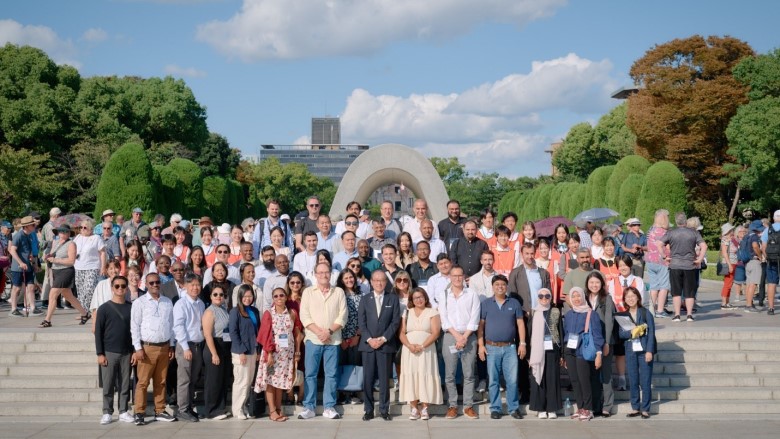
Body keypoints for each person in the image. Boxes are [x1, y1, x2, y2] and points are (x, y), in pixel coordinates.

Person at [298, 262, 348, 420]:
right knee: (310, 375)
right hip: (313, 339)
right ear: (315, 274)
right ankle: (309, 407)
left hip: (333, 340)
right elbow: (304, 316)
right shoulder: (308, 292)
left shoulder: (338, 292)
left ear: (331, 274)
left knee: (331, 375)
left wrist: (329, 331)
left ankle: (329, 407)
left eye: (326, 272)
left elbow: (343, 315)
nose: (324, 275)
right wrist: (320, 332)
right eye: (320, 273)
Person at [130, 272, 177, 425]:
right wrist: (138, 348)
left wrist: (171, 345)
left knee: (161, 381)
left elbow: (171, 325)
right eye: (152, 283)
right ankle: (139, 412)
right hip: (147, 348)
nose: (155, 285)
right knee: (143, 382)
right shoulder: (140, 302)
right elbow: (134, 326)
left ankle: (160, 410)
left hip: (164, 347)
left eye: (157, 282)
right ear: (146, 284)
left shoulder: (167, 302)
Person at [477, 274, 525, 420]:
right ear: (492, 287)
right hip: (491, 347)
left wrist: (522, 343)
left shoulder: (514, 303)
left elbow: (520, 323)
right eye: (497, 284)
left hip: (510, 347)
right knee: (493, 380)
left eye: (503, 284)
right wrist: (480, 345)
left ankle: (513, 408)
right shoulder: (485, 304)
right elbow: (481, 326)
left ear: (506, 286)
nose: (500, 287)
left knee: (512, 380)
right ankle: (496, 408)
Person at [358, 270, 402, 421]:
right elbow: (361, 323)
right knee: (368, 378)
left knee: (384, 380)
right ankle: (368, 410)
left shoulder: (393, 299)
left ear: (386, 282)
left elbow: (395, 322)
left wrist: (383, 339)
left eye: (382, 280)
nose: (379, 283)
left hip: (385, 345)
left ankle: (384, 409)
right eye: (376, 280)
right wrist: (370, 339)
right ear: (371, 282)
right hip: (368, 345)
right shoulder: (365, 299)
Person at [255, 287, 303, 422]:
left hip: (286, 355)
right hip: (272, 355)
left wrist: (297, 351)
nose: (279, 298)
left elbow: (298, 333)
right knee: (270, 381)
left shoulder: (292, 313)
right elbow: (265, 335)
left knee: (280, 382)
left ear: (286, 297)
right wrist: (269, 353)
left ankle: (279, 409)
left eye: (281, 295)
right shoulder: (268, 313)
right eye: (275, 296)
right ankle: (272, 411)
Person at [439, 265, 480, 419]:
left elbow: (475, 316)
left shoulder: (472, 294)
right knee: (450, 374)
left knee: (468, 373)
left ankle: (468, 405)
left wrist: (464, 337)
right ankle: (452, 406)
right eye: (454, 275)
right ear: (450, 277)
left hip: (468, 336)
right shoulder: (444, 295)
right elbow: (444, 317)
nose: (457, 278)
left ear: (464, 277)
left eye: (460, 275)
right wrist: (457, 337)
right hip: (451, 335)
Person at [95, 275, 135, 425]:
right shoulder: (104, 308)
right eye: (117, 286)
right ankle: (107, 412)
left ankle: (123, 410)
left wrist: (135, 351)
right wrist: (100, 353)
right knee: (108, 384)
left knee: (125, 384)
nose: (120, 289)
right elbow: (98, 332)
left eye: (123, 286)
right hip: (109, 352)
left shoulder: (131, 307)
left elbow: (135, 330)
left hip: (127, 352)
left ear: (126, 288)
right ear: (112, 288)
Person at [398, 287, 442, 421]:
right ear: (411, 299)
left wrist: (422, 346)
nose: (419, 300)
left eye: (421, 296)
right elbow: (401, 332)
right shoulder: (407, 312)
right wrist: (409, 345)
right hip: (409, 350)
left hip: (426, 349)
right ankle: (413, 408)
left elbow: (435, 332)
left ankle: (425, 408)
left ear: (426, 297)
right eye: (415, 297)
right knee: (411, 375)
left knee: (425, 374)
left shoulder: (432, 312)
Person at [563, 287, 604, 421]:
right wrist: (564, 354)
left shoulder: (591, 314)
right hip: (570, 351)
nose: (576, 299)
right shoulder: (569, 314)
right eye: (573, 296)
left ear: (583, 297)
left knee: (584, 380)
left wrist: (599, 353)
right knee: (574, 380)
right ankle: (580, 407)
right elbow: (566, 334)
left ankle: (588, 408)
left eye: (578, 296)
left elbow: (597, 335)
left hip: (583, 351)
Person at [658, 212, 707, 321]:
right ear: (685, 221)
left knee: (676, 292)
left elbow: (659, 244)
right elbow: (704, 245)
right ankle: (689, 315)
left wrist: (664, 256)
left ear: (676, 221)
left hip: (675, 265)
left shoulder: (671, 232)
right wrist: (699, 259)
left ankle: (677, 315)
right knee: (689, 292)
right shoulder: (693, 232)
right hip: (690, 265)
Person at [618, 286, 656, 419]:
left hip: (644, 350)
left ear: (638, 297)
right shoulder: (623, 316)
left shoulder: (645, 313)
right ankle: (635, 407)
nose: (630, 299)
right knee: (633, 379)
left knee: (645, 380)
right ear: (624, 300)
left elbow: (651, 334)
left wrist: (650, 351)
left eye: (633, 296)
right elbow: (621, 334)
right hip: (630, 350)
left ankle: (645, 408)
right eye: (627, 297)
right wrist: (632, 332)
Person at [40, 225, 89, 327]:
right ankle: (85, 314)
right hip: (56, 271)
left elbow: (71, 261)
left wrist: (55, 260)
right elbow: (54, 255)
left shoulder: (71, 244)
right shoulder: (56, 243)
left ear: (68, 233)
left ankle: (47, 320)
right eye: (60, 231)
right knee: (69, 296)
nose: (62, 233)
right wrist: (48, 257)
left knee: (52, 294)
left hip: (66, 271)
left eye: (65, 231)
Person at [173, 273, 205, 422]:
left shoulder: (201, 303)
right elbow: (178, 327)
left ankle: (189, 407)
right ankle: (182, 409)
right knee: (184, 379)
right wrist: (185, 348)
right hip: (185, 345)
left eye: (197, 285)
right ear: (185, 286)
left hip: (198, 345)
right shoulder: (181, 304)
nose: (195, 288)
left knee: (193, 379)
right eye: (192, 285)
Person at [584, 271, 616, 418]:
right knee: (592, 375)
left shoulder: (607, 299)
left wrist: (607, 342)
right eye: (591, 283)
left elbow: (609, 321)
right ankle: (595, 405)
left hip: (605, 340)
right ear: (587, 284)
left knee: (606, 374)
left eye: (597, 282)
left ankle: (608, 405)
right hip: (590, 342)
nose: (594, 285)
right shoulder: (584, 298)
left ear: (602, 284)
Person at [528, 288, 562, 419]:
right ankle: (540, 408)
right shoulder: (534, 312)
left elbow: (560, 330)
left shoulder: (556, 311)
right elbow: (529, 332)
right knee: (539, 378)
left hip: (552, 349)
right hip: (537, 350)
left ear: (551, 297)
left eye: (547, 296)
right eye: (541, 296)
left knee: (552, 378)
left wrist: (562, 354)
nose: (544, 298)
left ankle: (552, 408)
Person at [228, 284, 261, 420]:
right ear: (240, 297)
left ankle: (244, 405)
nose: (248, 298)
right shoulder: (235, 311)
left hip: (253, 350)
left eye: (250, 295)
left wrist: (258, 350)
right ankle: (237, 409)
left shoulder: (254, 310)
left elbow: (257, 331)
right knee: (240, 381)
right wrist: (241, 350)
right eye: (245, 296)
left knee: (248, 382)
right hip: (241, 351)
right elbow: (233, 332)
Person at [201, 285, 231, 420]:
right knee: (213, 380)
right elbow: (207, 334)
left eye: (221, 294)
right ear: (210, 297)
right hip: (214, 346)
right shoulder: (209, 312)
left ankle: (221, 408)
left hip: (224, 346)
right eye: (215, 294)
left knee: (222, 379)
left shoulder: (224, 309)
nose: (219, 297)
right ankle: (212, 410)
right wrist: (214, 353)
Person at [336, 268, 363, 405]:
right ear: (341, 280)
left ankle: (353, 392)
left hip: (356, 337)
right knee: (341, 365)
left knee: (355, 365)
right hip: (340, 337)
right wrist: (341, 339)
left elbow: (364, 318)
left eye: (351, 277)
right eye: (346, 278)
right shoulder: (337, 295)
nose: (349, 280)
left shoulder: (362, 295)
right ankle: (341, 393)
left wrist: (357, 336)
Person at [645, 209, 671, 318]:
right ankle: (660, 310)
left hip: (650, 261)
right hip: (662, 261)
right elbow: (668, 248)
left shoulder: (650, 230)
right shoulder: (665, 232)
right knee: (664, 286)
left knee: (654, 286)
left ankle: (652, 309)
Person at [760, 210, 780, 316]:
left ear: (773, 218)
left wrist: (768, 257)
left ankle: (771, 308)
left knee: (771, 284)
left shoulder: (767, 230)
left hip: (771, 260)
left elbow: (763, 247)